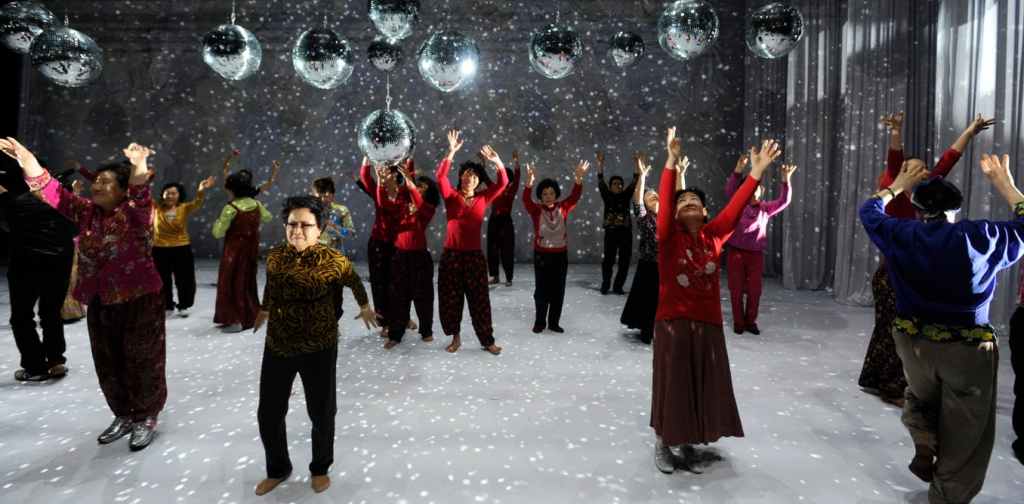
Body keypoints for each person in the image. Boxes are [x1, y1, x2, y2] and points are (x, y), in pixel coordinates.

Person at [859, 153, 1023, 503]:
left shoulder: (902, 233)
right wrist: (1006, 186)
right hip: (965, 348)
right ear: (956, 208)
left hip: (912, 342)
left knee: (921, 395)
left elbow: (868, 211)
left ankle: (923, 434)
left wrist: (896, 186)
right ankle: (946, 495)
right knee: (967, 433)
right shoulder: (980, 236)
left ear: (917, 208)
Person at [1, 138, 167, 451]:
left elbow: (140, 191)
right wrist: (25, 157)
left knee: (142, 360)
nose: (97, 185)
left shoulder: (136, 213)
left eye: (106, 182)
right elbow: (50, 188)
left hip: (139, 299)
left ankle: (145, 416)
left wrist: (138, 164)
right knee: (108, 361)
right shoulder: (86, 212)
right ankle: (123, 414)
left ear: (122, 190)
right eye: (97, 180)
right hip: (101, 300)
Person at [651, 128, 781, 474]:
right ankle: (663, 441)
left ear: (707, 212)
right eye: (682, 202)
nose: (688, 203)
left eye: (695, 201)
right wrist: (670, 163)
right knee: (673, 384)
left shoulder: (715, 236)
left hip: (707, 323)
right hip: (673, 323)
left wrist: (756, 172)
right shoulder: (668, 238)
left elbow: (736, 208)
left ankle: (689, 441)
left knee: (699, 385)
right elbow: (665, 207)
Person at [859, 112, 994, 405]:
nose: (926, 172)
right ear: (903, 173)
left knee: (897, 330)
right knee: (894, 331)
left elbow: (948, 159)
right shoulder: (893, 189)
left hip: (911, 275)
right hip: (892, 276)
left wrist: (970, 132)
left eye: (925, 169)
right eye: (918, 169)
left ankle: (879, 378)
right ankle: (890, 386)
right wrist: (896, 133)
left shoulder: (924, 193)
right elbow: (895, 163)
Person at [252, 196, 377, 496]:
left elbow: (354, 281)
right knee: (269, 413)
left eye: (305, 225)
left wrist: (365, 307)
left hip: (319, 345)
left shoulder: (333, 260)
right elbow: (271, 286)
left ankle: (320, 467)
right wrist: (265, 309)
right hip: (279, 344)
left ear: (319, 229)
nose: (297, 230)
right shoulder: (275, 256)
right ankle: (277, 468)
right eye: (292, 224)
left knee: (321, 412)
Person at [435, 130, 508, 355]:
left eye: (475, 176)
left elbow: (503, 183)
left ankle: (487, 340)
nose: (471, 178)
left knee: (480, 301)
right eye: (467, 174)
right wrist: (451, 152)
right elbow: (440, 177)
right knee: (451, 300)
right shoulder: (451, 196)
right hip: (451, 257)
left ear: (478, 181)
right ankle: (455, 338)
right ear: (461, 177)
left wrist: (497, 161)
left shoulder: (483, 198)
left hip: (474, 257)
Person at [0, 173, 78, 381]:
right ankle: (56, 361)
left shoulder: (13, 202)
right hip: (59, 262)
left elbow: (5, 226)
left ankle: (35, 366)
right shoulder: (63, 201)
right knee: (51, 313)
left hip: (25, 265)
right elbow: (74, 230)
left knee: (22, 317)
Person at [724, 154, 796, 335]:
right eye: (750, 187)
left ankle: (750, 321)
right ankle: (738, 322)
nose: (753, 190)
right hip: (735, 252)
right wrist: (738, 170)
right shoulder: (737, 204)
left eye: (757, 188)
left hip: (754, 255)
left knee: (754, 291)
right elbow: (730, 189)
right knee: (736, 290)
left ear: (761, 191)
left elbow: (784, 201)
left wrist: (786, 180)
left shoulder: (765, 208)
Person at [521, 159, 587, 333]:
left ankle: (554, 322)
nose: (548, 196)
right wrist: (529, 183)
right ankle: (540, 322)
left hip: (560, 255)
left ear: (556, 194)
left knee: (558, 290)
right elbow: (526, 200)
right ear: (540, 196)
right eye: (544, 194)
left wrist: (578, 178)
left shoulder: (564, 207)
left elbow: (575, 196)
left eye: (551, 193)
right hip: (542, 255)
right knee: (541, 290)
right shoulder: (536, 210)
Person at [383, 164, 439, 348]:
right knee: (398, 297)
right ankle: (395, 334)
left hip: (420, 258)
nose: (419, 188)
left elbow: (419, 202)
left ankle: (426, 330)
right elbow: (387, 201)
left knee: (424, 297)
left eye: (423, 187)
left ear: (429, 193)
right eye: (418, 186)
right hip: (400, 256)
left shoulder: (428, 207)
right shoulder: (403, 203)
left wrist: (410, 181)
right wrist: (392, 178)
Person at [213, 169, 272, 332]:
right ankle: (250, 314)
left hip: (233, 252)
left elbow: (218, 232)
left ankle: (235, 318)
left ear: (233, 190)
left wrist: (218, 223)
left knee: (230, 282)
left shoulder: (230, 208)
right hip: (250, 250)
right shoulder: (256, 204)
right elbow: (268, 217)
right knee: (246, 281)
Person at [153, 176, 215, 317]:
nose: (170, 196)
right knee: (161, 280)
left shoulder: (184, 207)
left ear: (179, 195)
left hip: (181, 248)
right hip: (159, 248)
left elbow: (197, 202)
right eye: (167, 193)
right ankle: (166, 305)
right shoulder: (155, 207)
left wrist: (201, 190)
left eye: (174, 193)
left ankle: (184, 304)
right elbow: (141, 198)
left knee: (185, 279)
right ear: (162, 194)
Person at [358, 157, 403, 335]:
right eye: (380, 170)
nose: (381, 173)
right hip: (377, 243)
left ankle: (401, 317)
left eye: (385, 170)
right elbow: (364, 176)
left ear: (395, 174)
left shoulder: (404, 192)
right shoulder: (378, 189)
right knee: (379, 284)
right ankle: (385, 322)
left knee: (398, 284)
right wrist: (367, 154)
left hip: (398, 245)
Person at [620, 153, 662, 344]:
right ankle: (646, 330)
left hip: (665, 265)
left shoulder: (668, 217)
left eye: (655, 196)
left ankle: (658, 329)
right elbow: (637, 200)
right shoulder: (645, 218)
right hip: (648, 265)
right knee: (647, 300)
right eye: (649, 198)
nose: (653, 199)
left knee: (661, 300)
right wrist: (642, 177)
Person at [595, 150, 638, 295]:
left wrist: (637, 163)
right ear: (610, 185)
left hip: (625, 233)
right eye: (614, 183)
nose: (618, 186)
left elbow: (635, 181)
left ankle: (618, 286)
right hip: (611, 232)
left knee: (624, 261)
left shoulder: (626, 195)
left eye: (620, 184)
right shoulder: (607, 195)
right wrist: (600, 163)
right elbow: (600, 180)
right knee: (608, 260)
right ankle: (606, 284)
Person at [487, 150, 521, 286]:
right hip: (493, 221)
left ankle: (508, 278)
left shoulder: (511, 190)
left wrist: (516, 162)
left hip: (505, 221)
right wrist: (485, 163)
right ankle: (495, 276)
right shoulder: (494, 188)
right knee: (492, 250)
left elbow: (517, 178)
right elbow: (486, 177)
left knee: (507, 250)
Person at [60, 178, 85, 322]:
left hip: (71, 243)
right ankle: (69, 311)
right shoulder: (64, 205)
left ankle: (71, 311)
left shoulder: (69, 204)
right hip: (68, 243)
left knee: (71, 277)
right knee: (69, 277)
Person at [311, 176, 355, 256]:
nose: (322, 200)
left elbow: (351, 234)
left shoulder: (341, 210)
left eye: (326, 196)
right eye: (319, 197)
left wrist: (335, 227)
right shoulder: (308, 212)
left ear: (332, 195)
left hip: (335, 257)